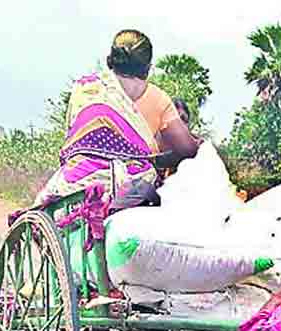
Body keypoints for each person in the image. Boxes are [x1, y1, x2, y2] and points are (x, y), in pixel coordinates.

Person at [31, 29, 201, 300]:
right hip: (130, 186)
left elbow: (74, 137)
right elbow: (185, 148)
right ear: (147, 67)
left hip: (78, 180)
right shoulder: (157, 98)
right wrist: (195, 145)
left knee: (41, 215)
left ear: (110, 61)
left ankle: (62, 287)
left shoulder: (85, 88)